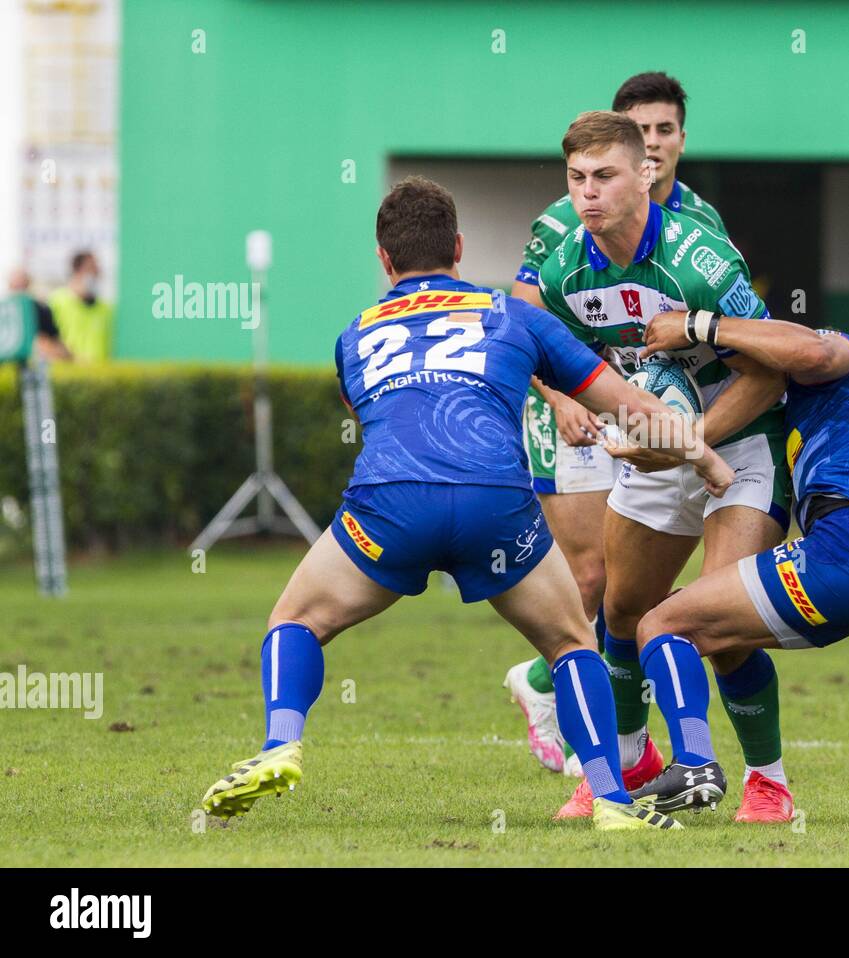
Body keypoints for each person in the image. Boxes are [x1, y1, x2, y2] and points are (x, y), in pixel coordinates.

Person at [199, 177, 734, 833]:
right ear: (458, 246)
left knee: (295, 620)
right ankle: (613, 802)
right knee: (572, 645)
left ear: (383, 259)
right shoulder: (517, 316)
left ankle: (280, 745)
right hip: (496, 509)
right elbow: (630, 406)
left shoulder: (354, 335)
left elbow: (372, 414)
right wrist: (703, 457)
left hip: (390, 506)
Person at [624, 310, 849, 824]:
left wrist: (700, 327)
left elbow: (814, 351)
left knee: (663, 623)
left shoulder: (843, 356)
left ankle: (694, 762)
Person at [537, 111, 798, 823]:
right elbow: (553, 355)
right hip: (656, 447)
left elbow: (771, 369)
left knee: (718, 619)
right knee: (619, 612)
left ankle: (767, 783)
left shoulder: (701, 260)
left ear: (644, 174)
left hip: (742, 442)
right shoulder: (564, 270)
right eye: (576, 178)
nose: (587, 194)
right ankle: (624, 768)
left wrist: (692, 439)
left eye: (604, 176)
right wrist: (570, 399)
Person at [504, 72, 730, 780]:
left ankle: (554, 692)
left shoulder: (701, 223)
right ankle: (583, 730)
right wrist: (561, 400)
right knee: (593, 576)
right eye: (643, 129)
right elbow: (525, 320)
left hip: (655, 414)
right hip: (575, 408)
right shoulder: (568, 217)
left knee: (635, 587)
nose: (654, 142)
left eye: (666, 130)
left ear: (679, 140)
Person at [49, 251, 113, 361]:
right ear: (76, 271)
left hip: (99, 374)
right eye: (91, 268)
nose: (96, 273)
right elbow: (45, 340)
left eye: (97, 269)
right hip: (67, 373)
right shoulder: (56, 302)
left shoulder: (106, 309)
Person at [6, 267, 71, 362]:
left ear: (28, 284)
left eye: (22, 284)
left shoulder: (40, 309)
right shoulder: (4, 309)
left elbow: (54, 340)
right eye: (16, 285)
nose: (19, 289)